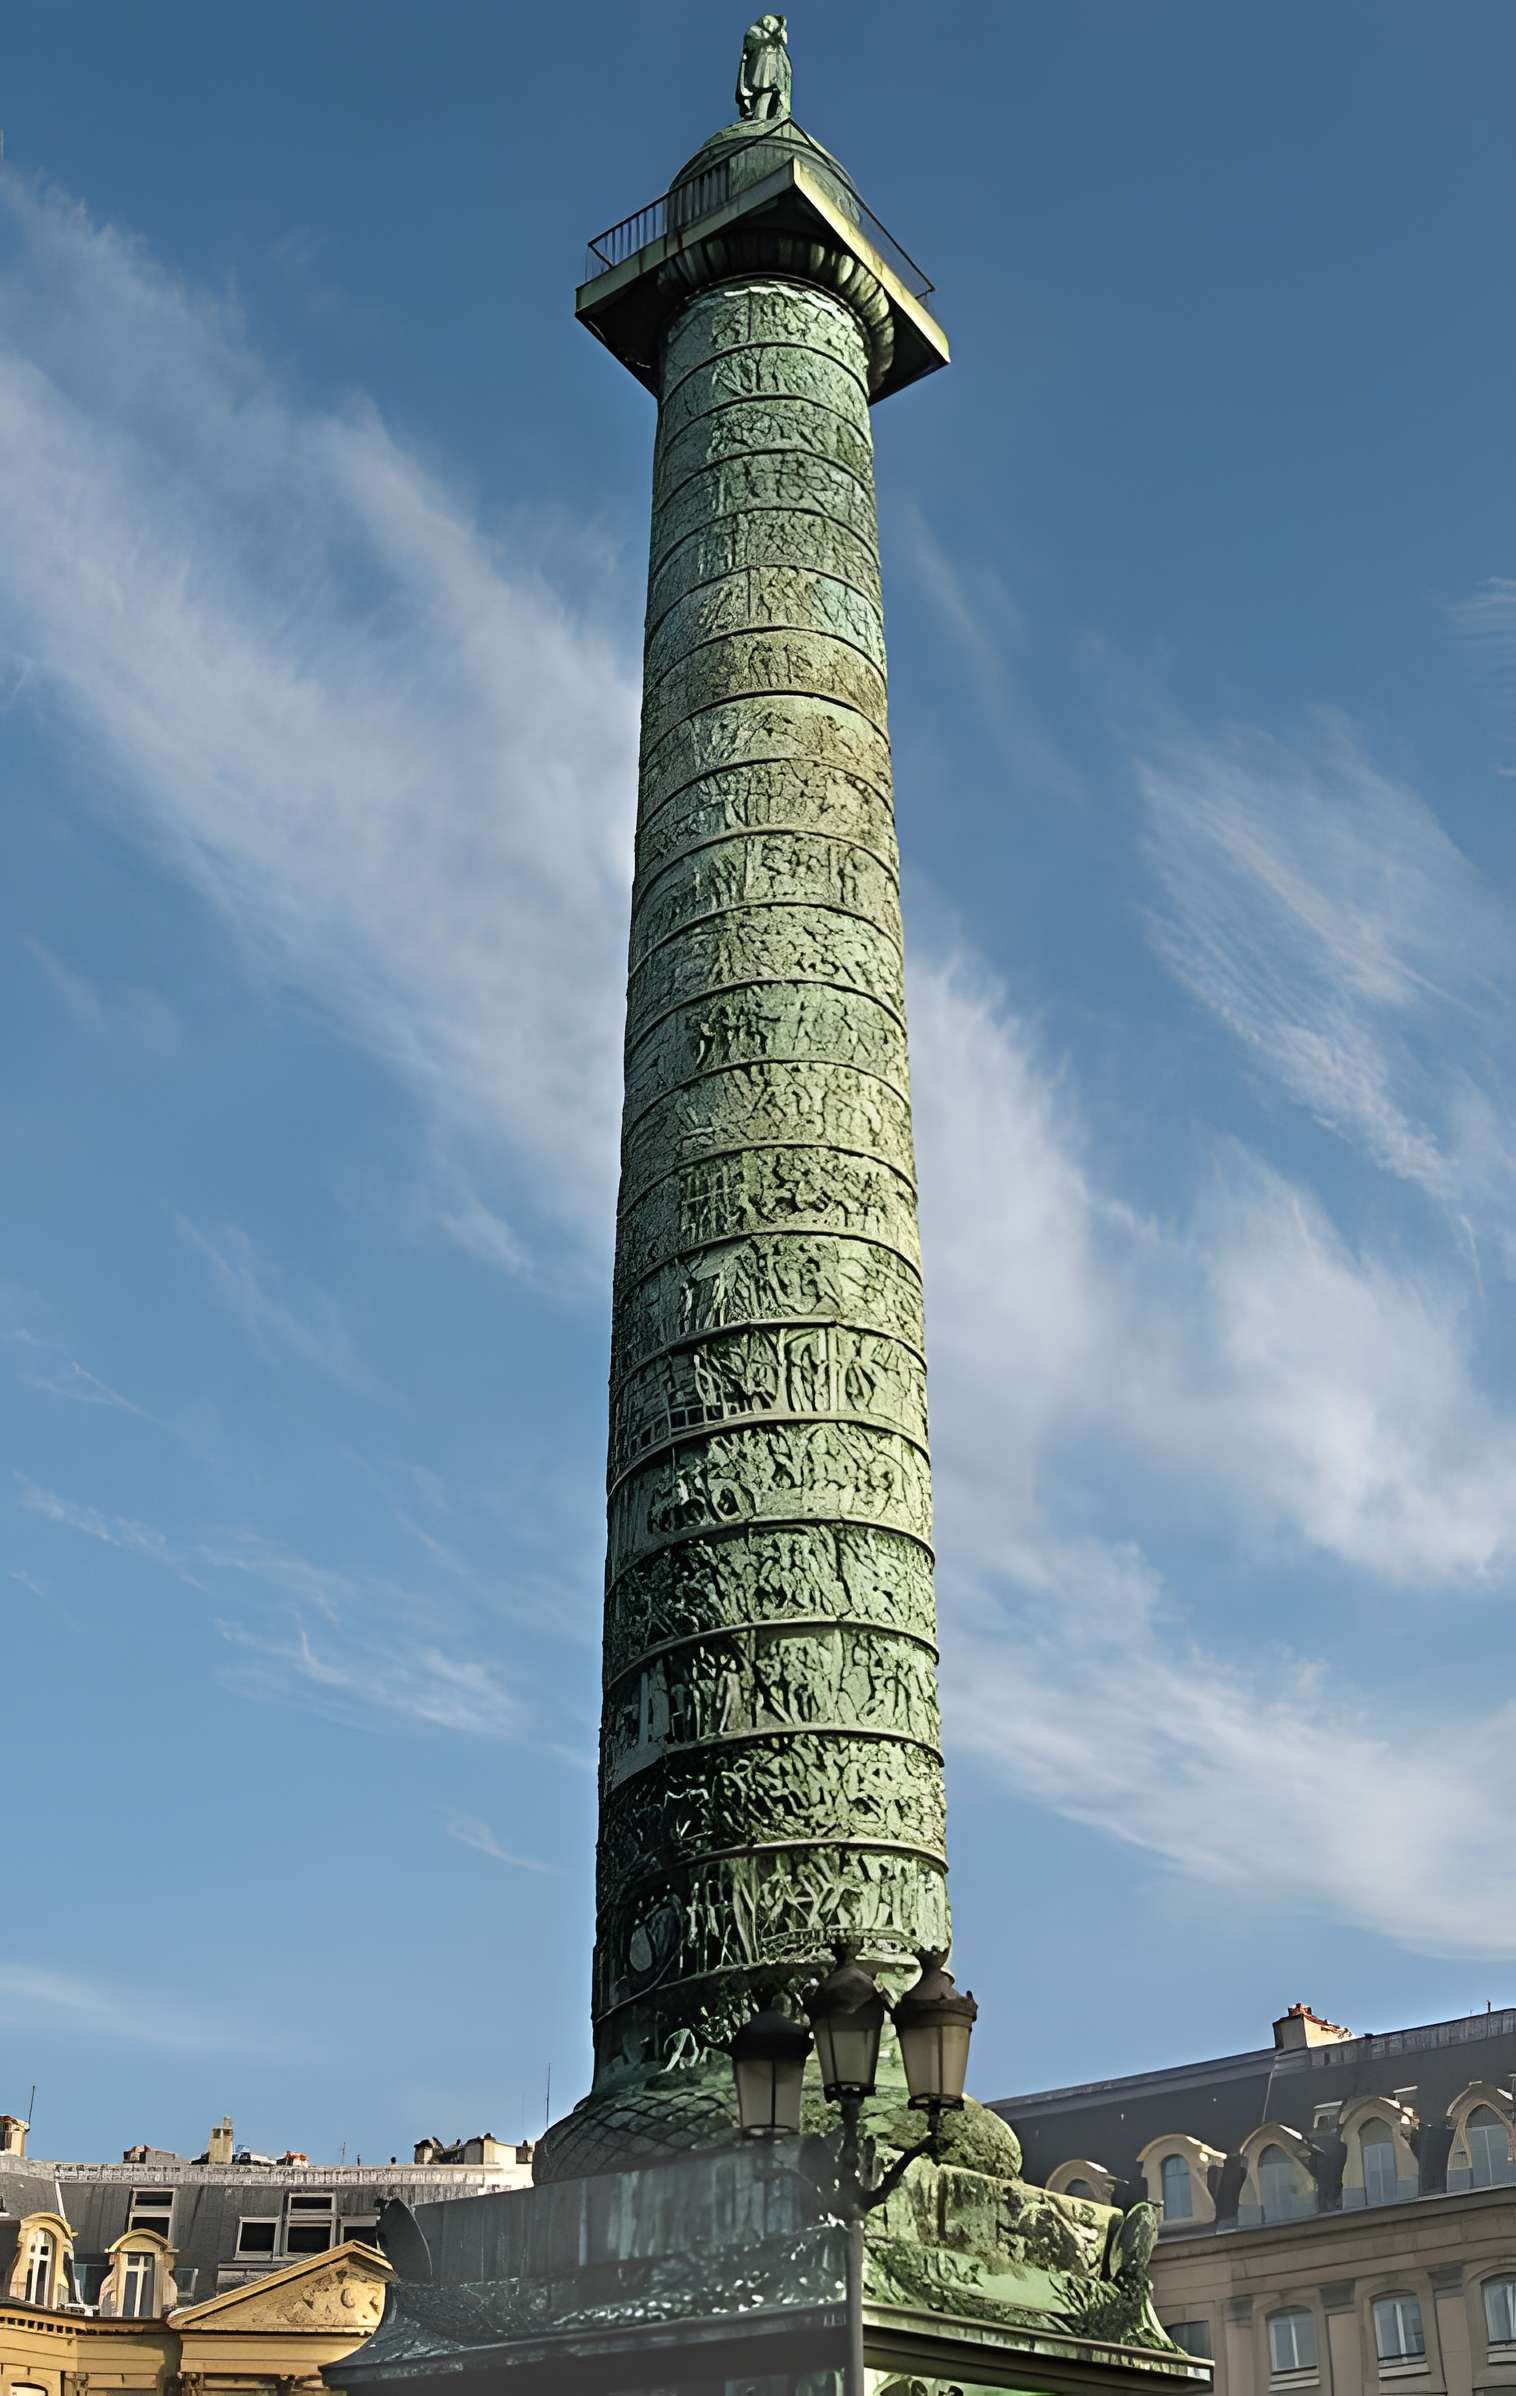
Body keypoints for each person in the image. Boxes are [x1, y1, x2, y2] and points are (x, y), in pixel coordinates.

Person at [735, 14, 792, 121]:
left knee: (774, 94)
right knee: (765, 91)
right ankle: (759, 117)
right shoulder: (756, 34)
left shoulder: (779, 49)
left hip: (776, 71)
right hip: (764, 68)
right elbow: (751, 44)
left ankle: (772, 118)